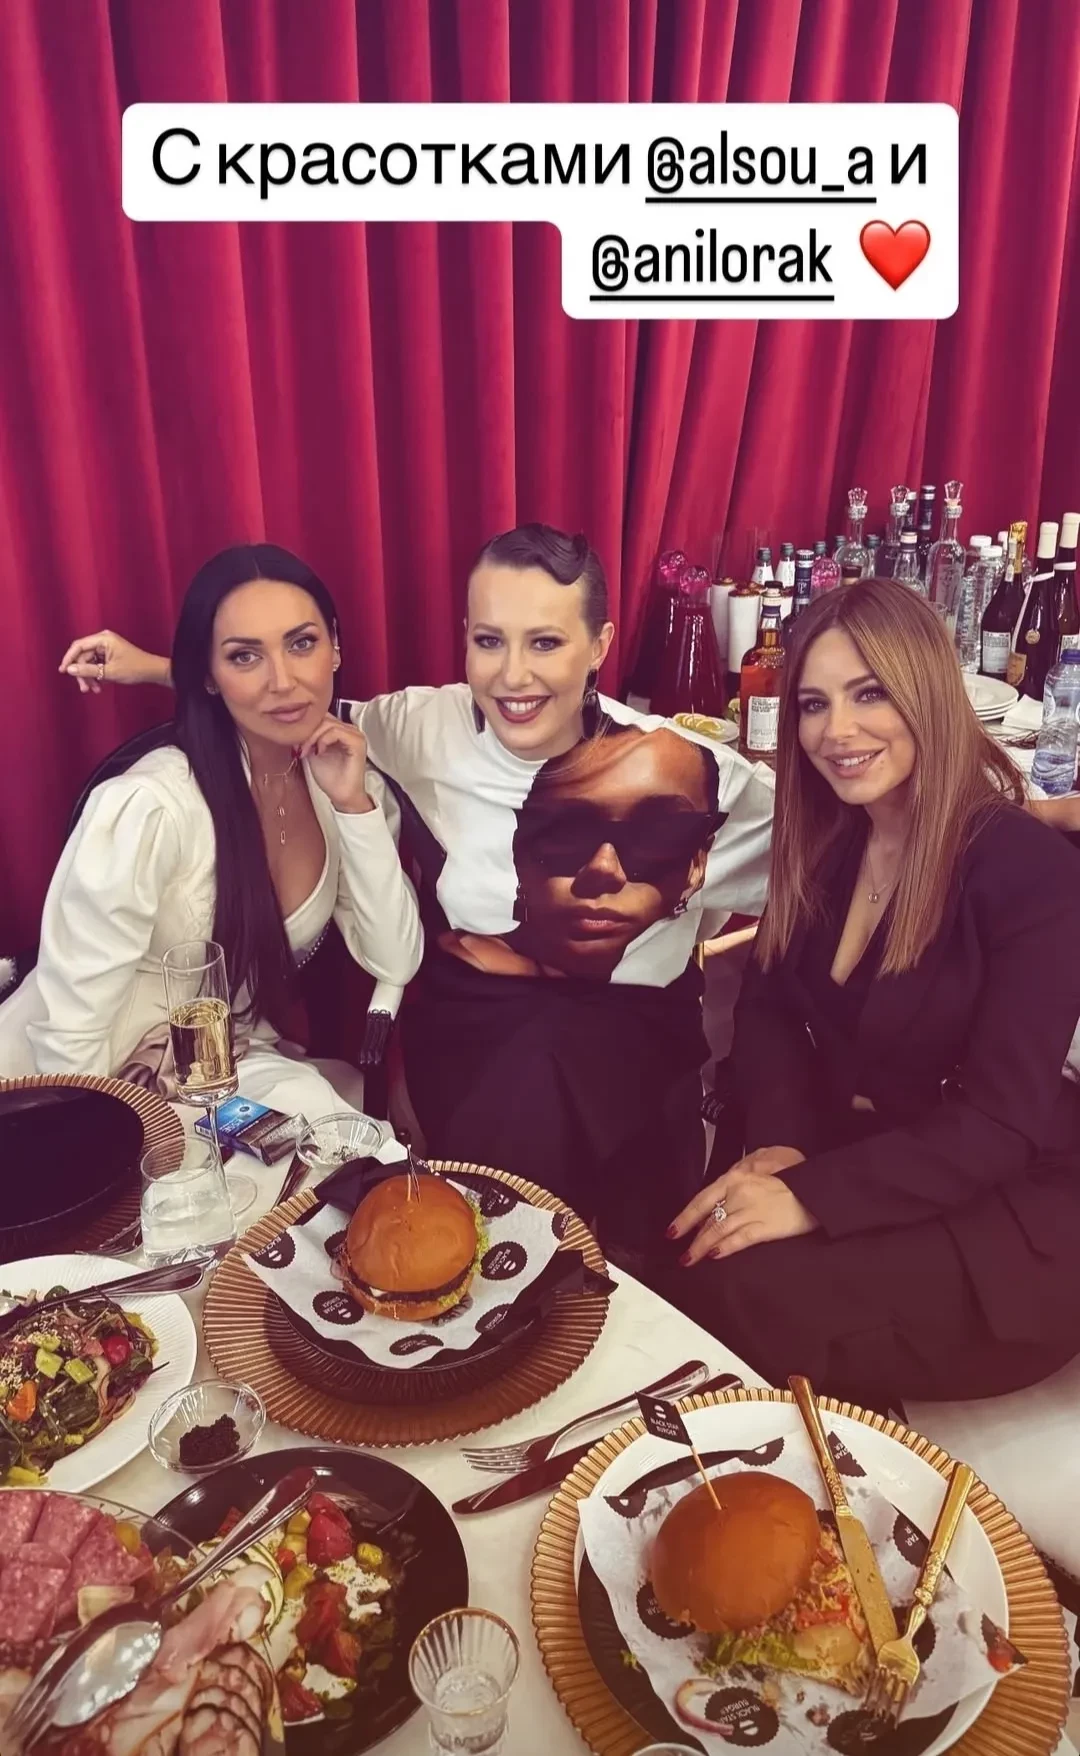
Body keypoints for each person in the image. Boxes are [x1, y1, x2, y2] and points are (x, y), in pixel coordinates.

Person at [57, 523, 775, 1246]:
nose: (513, 677)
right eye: (489, 641)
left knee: (615, 1158)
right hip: (481, 1027)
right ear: (465, 638)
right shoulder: (423, 727)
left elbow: (817, 862)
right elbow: (292, 703)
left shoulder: (697, 774)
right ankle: (500, 1260)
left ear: (600, 645)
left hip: (633, 1032)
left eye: (546, 642)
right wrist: (159, 668)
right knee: (525, 1104)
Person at [653, 577, 1080, 1409]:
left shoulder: (1030, 874)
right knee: (694, 1254)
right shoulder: (830, 839)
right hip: (872, 1157)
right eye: (814, 704)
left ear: (927, 695)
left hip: (1009, 1220)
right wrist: (779, 1144)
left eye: (869, 694)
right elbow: (769, 1009)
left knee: (733, 1295)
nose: (836, 731)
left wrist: (810, 1197)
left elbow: (998, 1125)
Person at [3, 545, 421, 1119]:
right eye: (245, 656)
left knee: (349, 1152)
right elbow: (70, 1034)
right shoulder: (149, 807)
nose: (283, 680)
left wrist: (354, 807)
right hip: (83, 1081)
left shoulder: (347, 788)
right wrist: (94, 1142)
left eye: (302, 644)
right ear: (208, 676)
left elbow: (395, 960)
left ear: (335, 647)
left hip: (220, 1066)